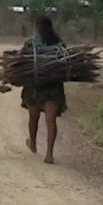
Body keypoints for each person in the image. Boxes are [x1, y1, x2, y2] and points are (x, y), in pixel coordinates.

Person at [21, 16, 68, 164]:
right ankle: (49, 154)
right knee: (51, 121)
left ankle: (33, 143)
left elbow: (21, 60)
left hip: (35, 87)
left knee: (33, 117)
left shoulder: (30, 44)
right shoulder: (59, 45)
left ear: (36, 27)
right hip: (53, 88)